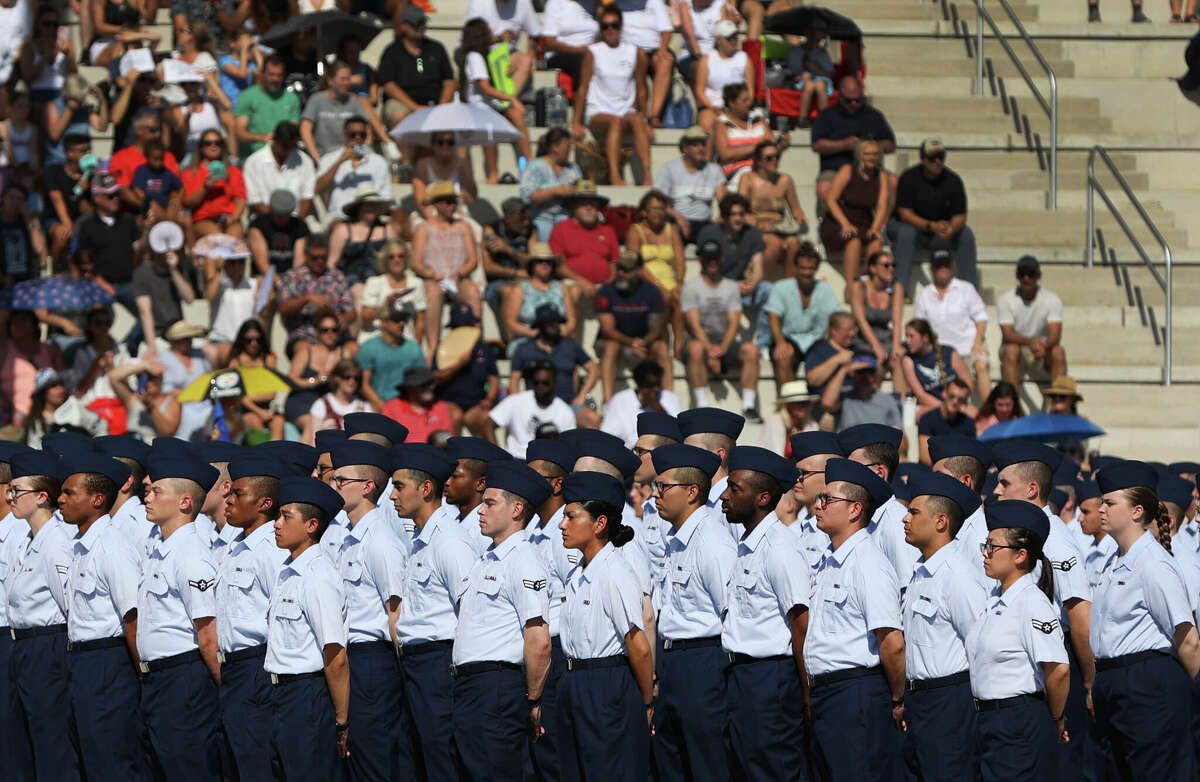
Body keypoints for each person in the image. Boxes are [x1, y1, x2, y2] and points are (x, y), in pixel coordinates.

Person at [990, 441, 1095, 777]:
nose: (996, 490)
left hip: (1056, 662)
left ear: (1032, 488)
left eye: (1005, 483)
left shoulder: (1055, 541)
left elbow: (1079, 618)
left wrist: (1090, 682)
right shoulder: (1024, 535)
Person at [1090, 461, 1200, 779]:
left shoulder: (1153, 564)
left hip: (1146, 685)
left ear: (1137, 511)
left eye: (1110, 503)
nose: (1102, 509)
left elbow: (1187, 638)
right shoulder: (1115, 560)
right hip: (1115, 683)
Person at [450, 460, 552, 782]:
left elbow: (538, 638)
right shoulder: (487, 559)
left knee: (496, 771)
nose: (481, 510)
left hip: (495, 686)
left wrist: (533, 700)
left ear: (516, 508)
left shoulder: (522, 560)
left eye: (490, 503)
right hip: (470, 687)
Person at [804, 457, 904, 780]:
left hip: (855, 695)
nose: (818, 506)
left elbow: (892, 642)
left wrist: (898, 697)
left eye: (827, 499)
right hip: (827, 696)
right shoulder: (829, 562)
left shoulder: (868, 563)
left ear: (854, 510)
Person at [718, 446, 811, 779]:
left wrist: (806, 691)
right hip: (742, 676)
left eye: (735, 489)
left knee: (773, 769)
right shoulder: (748, 544)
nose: (724, 497)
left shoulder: (779, 548)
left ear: (762, 498)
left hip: (770, 679)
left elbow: (800, 623)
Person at [557, 471, 656, 780]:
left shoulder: (615, 572)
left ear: (599, 523)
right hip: (574, 680)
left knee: (609, 769)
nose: (562, 525)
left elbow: (637, 645)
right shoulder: (578, 574)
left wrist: (647, 702)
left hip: (606, 682)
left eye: (572, 517)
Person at [647, 442, 736, 782]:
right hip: (673, 663)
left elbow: (731, 615)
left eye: (664, 487)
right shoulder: (677, 540)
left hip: (704, 662)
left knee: (706, 762)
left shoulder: (713, 542)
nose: (656, 495)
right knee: (671, 763)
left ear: (692, 491)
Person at [388, 443, 477, 780]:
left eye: (399, 486)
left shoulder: (450, 542)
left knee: (442, 758)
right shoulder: (421, 539)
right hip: (416, 664)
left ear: (425, 489)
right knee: (418, 758)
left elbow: (469, 611)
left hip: (440, 664)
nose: (393, 495)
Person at [57, 453, 147, 781]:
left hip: (108, 661)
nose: (61, 499)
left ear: (97, 499)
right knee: (91, 755)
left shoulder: (112, 547)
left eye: (69, 493)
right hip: (83, 662)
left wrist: (142, 676)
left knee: (113, 757)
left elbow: (132, 616)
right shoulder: (84, 545)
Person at [967, 500, 1070, 781]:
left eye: (993, 546)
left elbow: (1058, 669)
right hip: (988, 720)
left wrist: (1056, 719)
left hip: (1017, 721)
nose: (985, 554)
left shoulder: (1031, 602)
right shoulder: (995, 599)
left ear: (1020, 555)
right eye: (985, 545)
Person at [327, 440, 412, 780]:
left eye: (341, 481)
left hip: (374, 662)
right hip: (352, 659)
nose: (334, 487)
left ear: (367, 486)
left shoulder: (380, 541)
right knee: (355, 755)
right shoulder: (351, 537)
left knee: (373, 756)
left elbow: (396, 613)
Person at [138, 451, 221, 782]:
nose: (148, 495)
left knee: (189, 767)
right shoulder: (162, 550)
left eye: (158, 491)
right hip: (160, 679)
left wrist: (221, 692)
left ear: (185, 502)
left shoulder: (191, 556)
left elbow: (208, 634)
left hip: (184, 679)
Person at [899, 472, 987, 781]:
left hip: (950, 700)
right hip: (919, 700)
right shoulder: (921, 571)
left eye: (914, 512)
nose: (905, 519)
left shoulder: (958, 576)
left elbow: (981, 646)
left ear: (940, 522)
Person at [264, 476, 351, 779]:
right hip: (280, 694)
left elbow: (335, 654)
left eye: (286, 516)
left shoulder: (317, 575)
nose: (276, 523)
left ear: (312, 526)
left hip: (306, 694)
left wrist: (341, 720)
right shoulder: (288, 572)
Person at [6, 449, 78, 782]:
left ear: (41, 496)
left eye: (17, 490)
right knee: (28, 735)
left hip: (48, 646)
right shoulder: (30, 540)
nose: (10, 496)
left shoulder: (55, 543)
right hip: (25, 647)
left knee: (52, 739)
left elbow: (69, 604)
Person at [215, 454, 289, 780]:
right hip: (234, 668)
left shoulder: (271, 550)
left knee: (260, 763)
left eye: (239, 494)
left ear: (264, 503)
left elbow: (284, 618)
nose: (228, 499)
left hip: (259, 666)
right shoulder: (237, 546)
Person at [571, 7, 653, 187]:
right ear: (600, 28)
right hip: (598, 111)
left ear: (621, 27)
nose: (610, 30)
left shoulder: (635, 52)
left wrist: (647, 119)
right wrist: (576, 121)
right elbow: (583, 87)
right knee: (615, 121)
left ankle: (647, 177)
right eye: (605, 26)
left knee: (638, 121)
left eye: (614, 25)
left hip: (625, 110)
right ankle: (616, 176)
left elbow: (641, 89)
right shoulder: (593, 52)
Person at [681, 243, 761, 414]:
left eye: (715, 258)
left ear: (721, 259)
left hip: (724, 342)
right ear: (700, 261)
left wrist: (721, 350)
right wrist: (710, 351)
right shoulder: (691, 287)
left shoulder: (731, 287)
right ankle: (701, 406)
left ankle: (748, 406)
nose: (712, 262)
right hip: (698, 341)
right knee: (696, 349)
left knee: (752, 350)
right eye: (708, 259)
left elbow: (734, 323)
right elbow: (694, 326)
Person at [891, 139, 978, 292]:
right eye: (932, 158)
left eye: (941, 157)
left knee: (966, 233)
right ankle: (899, 290)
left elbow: (960, 216)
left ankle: (970, 291)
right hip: (913, 229)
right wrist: (931, 226)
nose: (937, 162)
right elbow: (905, 214)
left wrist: (952, 228)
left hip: (938, 233)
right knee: (907, 232)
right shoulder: (909, 178)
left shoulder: (953, 180)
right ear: (922, 159)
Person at [457, 17, 534, 184]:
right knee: (489, 126)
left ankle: (530, 164)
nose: (491, 34)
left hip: (491, 105)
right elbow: (485, 88)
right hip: (478, 108)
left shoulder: (483, 52)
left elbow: (494, 40)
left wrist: (502, 37)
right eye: (488, 31)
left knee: (517, 116)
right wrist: (512, 99)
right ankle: (493, 174)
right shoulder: (475, 56)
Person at [412, 181, 481, 358]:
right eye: (447, 201)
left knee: (472, 292)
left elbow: (473, 259)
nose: (452, 206)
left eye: (454, 201)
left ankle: (476, 342)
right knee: (433, 293)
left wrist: (458, 275)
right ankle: (433, 347)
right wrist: (434, 275)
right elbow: (417, 263)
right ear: (436, 203)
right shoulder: (424, 228)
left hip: (458, 278)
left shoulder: (463, 227)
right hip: (435, 278)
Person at [810, 75, 896, 212]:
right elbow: (817, 145)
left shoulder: (874, 116)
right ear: (840, 97)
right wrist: (843, 145)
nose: (854, 104)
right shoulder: (827, 116)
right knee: (824, 188)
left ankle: (883, 225)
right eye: (849, 101)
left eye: (858, 100)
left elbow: (890, 145)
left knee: (892, 181)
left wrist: (868, 146)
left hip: (871, 169)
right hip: (835, 169)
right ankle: (830, 226)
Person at [913, 249, 990, 401]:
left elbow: (981, 318)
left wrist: (977, 343)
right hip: (940, 354)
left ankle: (990, 413)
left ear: (952, 267)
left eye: (946, 265)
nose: (943, 269)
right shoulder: (924, 295)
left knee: (981, 365)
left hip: (968, 348)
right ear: (932, 268)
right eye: (939, 265)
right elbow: (919, 327)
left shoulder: (966, 288)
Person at [595, 252, 671, 403]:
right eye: (619, 268)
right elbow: (607, 330)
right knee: (611, 346)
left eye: (627, 269)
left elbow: (656, 329)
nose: (621, 273)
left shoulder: (652, 292)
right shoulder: (606, 291)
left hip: (643, 343)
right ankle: (608, 402)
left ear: (639, 271)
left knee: (661, 348)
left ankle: (668, 400)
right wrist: (632, 343)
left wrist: (642, 343)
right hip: (615, 342)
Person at [820, 139, 889, 302]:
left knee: (875, 243)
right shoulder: (848, 170)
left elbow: (882, 204)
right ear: (860, 156)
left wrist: (876, 228)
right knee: (854, 241)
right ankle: (851, 286)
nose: (872, 158)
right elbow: (831, 199)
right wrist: (844, 223)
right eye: (868, 154)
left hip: (864, 221)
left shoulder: (881, 176)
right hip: (838, 222)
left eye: (875, 154)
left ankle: (866, 282)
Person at [509, 303, 600, 420]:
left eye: (558, 322)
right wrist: (518, 404)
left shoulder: (570, 345)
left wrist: (581, 396)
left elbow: (593, 369)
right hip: (534, 407)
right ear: (540, 325)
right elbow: (514, 378)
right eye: (550, 323)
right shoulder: (524, 349)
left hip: (568, 405)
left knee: (593, 419)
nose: (556, 326)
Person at [765, 245, 841, 384]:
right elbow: (773, 316)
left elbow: (835, 317)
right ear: (795, 267)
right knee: (783, 355)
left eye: (810, 268)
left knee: (833, 356)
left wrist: (832, 343)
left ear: (816, 269)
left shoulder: (824, 289)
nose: (806, 272)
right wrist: (780, 342)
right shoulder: (782, 287)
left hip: (816, 341)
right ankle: (789, 399)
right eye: (803, 268)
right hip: (789, 338)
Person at [379, 6, 455, 136]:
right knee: (398, 114)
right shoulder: (392, 52)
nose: (421, 27)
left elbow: (449, 81)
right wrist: (415, 108)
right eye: (416, 23)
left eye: (423, 22)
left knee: (459, 119)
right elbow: (388, 85)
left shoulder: (436, 48)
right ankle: (406, 156)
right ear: (403, 26)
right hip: (405, 104)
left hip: (436, 104)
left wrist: (440, 109)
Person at [73, 172, 141, 318]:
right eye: (110, 195)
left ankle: (128, 342)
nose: (116, 199)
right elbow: (81, 259)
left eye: (117, 194)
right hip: (99, 284)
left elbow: (139, 250)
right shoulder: (85, 224)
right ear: (97, 197)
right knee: (99, 319)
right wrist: (98, 281)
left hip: (129, 282)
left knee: (148, 312)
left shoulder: (129, 221)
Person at [739, 139, 808, 280]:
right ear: (758, 161)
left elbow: (796, 210)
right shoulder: (748, 179)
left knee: (794, 243)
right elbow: (740, 211)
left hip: (779, 226)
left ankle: (790, 286)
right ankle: (763, 283)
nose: (774, 160)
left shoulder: (785, 180)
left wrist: (800, 219)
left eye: (777, 157)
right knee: (774, 243)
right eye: (769, 158)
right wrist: (759, 225)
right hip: (756, 225)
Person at [626, 189, 686, 348]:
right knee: (664, 298)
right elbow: (636, 265)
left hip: (670, 281)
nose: (659, 213)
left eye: (662, 209)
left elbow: (680, 260)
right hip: (645, 282)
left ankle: (678, 345)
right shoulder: (635, 231)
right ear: (644, 212)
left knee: (678, 297)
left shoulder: (671, 229)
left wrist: (679, 282)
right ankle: (660, 338)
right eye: (655, 209)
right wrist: (657, 285)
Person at [286, 309, 358, 436]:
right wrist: (315, 380)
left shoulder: (344, 353)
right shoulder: (306, 352)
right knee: (312, 424)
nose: (330, 334)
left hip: (331, 404)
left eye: (334, 330)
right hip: (303, 401)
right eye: (325, 330)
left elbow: (351, 378)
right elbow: (291, 380)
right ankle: (305, 455)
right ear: (317, 332)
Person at [432, 304, 500, 437]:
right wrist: (459, 365)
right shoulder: (443, 348)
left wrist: (489, 399)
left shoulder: (484, 348)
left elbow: (493, 376)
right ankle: (453, 456)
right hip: (449, 400)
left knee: (486, 418)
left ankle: (488, 456)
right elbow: (436, 378)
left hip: (476, 402)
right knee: (454, 417)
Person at [998, 255, 1067, 385]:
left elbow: (1055, 334)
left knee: (1058, 351)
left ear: (1038, 275)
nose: (1026, 278)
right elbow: (1008, 335)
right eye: (1022, 274)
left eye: (1030, 274)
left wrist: (1044, 346)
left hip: (1043, 348)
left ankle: (1059, 401)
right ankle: (1012, 403)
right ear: (1017, 276)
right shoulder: (1005, 299)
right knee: (1011, 349)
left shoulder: (1052, 299)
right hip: (1017, 348)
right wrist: (1031, 342)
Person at [277, 234, 355, 348]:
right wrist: (306, 299)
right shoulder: (292, 277)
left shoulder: (337, 276)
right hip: (304, 335)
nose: (319, 261)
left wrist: (344, 319)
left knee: (353, 348)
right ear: (306, 255)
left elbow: (352, 312)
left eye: (323, 257)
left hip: (334, 335)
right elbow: (284, 309)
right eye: (314, 258)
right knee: (305, 349)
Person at [488, 361, 577, 458]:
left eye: (545, 383)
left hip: (549, 463)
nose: (540, 386)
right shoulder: (515, 401)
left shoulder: (565, 411)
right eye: (536, 382)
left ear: (555, 383)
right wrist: (497, 456)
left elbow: (569, 445)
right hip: (517, 462)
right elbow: (488, 424)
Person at [549, 181, 619, 303]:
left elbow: (614, 262)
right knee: (574, 291)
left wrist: (609, 284)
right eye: (583, 203)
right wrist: (581, 281)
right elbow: (559, 265)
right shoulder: (560, 230)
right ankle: (572, 322)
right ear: (573, 206)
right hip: (573, 283)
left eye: (592, 204)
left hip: (605, 286)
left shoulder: (608, 230)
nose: (588, 207)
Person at [501, 240, 575, 353]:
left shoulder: (562, 287)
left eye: (548, 261)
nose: (544, 264)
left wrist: (560, 335)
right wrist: (533, 334)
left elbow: (572, 319)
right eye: (539, 261)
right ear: (532, 265)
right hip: (527, 340)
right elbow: (510, 321)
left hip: (557, 340)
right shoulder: (520, 289)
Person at [657, 125, 726, 243]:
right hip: (676, 220)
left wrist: (722, 216)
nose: (701, 148)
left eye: (703, 144)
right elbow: (657, 200)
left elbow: (724, 201)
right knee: (673, 236)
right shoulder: (670, 168)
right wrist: (679, 218)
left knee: (713, 245)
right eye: (695, 145)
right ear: (685, 148)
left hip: (704, 222)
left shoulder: (714, 170)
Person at [301, 60, 381, 160]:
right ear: (330, 80)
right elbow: (305, 130)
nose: (347, 83)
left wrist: (360, 154)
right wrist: (317, 159)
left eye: (348, 79)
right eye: (343, 79)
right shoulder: (317, 100)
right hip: (325, 157)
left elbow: (367, 131)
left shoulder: (354, 101)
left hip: (351, 157)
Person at [358, 297, 426, 413]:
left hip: (408, 408)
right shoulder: (368, 348)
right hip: (377, 408)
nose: (401, 323)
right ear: (383, 322)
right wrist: (385, 408)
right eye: (396, 319)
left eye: (404, 319)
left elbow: (421, 382)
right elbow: (364, 385)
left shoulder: (414, 349)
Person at [317, 128, 393, 232]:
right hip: (339, 216)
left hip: (371, 214)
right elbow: (318, 189)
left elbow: (386, 196)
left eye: (362, 134)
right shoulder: (329, 159)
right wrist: (340, 160)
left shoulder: (378, 161)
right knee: (339, 229)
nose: (357, 138)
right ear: (345, 136)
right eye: (353, 134)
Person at [851, 249, 905, 390]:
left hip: (885, 337)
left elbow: (897, 321)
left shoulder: (896, 287)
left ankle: (900, 404)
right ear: (873, 268)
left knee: (898, 361)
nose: (891, 269)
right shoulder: (859, 286)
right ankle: (871, 397)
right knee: (878, 361)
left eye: (893, 265)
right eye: (886, 265)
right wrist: (876, 347)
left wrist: (896, 346)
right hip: (864, 338)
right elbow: (861, 320)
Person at [600, 360, 683, 449]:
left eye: (658, 384)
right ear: (640, 386)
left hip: (665, 449)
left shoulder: (669, 398)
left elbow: (679, 431)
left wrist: (659, 409)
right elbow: (609, 435)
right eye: (650, 385)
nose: (656, 389)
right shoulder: (620, 400)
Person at [133, 238, 197, 352]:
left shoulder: (178, 269)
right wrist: (152, 346)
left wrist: (174, 270)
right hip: (157, 337)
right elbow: (145, 313)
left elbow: (189, 299)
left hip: (179, 333)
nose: (168, 250)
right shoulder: (142, 274)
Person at [180, 129, 246, 239]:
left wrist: (233, 218)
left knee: (235, 234)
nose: (213, 146)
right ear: (201, 147)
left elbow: (240, 199)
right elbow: (187, 203)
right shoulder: (190, 173)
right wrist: (205, 188)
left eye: (218, 143)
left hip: (228, 218)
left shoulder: (233, 171)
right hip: (203, 220)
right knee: (216, 236)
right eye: (208, 143)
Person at [901, 318, 971, 419]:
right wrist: (945, 407)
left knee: (974, 413)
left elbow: (968, 383)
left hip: (957, 403)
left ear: (925, 337)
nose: (907, 341)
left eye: (911, 336)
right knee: (916, 416)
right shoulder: (908, 360)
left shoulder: (949, 352)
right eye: (906, 336)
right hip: (932, 406)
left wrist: (955, 404)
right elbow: (921, 395)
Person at [242, 121, 314, 220]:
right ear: (274, 139)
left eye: (293, 146)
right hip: (264, 220)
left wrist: (295, 224)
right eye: (285, 146)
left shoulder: (305, 161)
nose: (289, 150)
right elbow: (255, 201)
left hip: (296, 220)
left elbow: (307, 198)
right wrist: (278, 223)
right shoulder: (253, 162)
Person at [520, 128, 582, 241]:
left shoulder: (573, 169)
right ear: (555, 147)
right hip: (541, 219)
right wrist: (555, 191)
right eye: (567, 146)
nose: (570, 150)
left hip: (566, 219)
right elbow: (528, 196)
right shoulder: (535, 166)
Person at [233, 54, 301, 158]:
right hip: (255, 156)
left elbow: (293, 130)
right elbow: (239, 133)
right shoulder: (247, 96)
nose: (275, 79)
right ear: (262, 74)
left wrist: (279, 140)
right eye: (271, 74)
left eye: (279, 75)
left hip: (284, 157)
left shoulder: (292, 98)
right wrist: (262, 137)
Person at [159, 321, 212, 442]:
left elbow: (210, 379)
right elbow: (166, 390)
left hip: (206, 402)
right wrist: (192, 393)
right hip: (182, 405)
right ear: (173, 341)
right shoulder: (164, 359)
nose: (188, 341)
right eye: (183, 339)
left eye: (189, 338)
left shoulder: (199, 354)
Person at [695, 20, 751, 135]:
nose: (733, 41)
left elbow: (750, 91)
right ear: (718, 40)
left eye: (735, 38)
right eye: (728, 38)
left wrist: (738, 107)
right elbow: (699, 91)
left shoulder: (744, 59)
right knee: (706, 123)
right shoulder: (706, 60)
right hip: (712, 106)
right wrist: (714, 107)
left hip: (737, 106)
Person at [713, 83, 773, 190]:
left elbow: (771, 146)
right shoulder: (722, 123)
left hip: (762, 169)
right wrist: (756, 147)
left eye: (748, 100)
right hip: (736, 174)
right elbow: (725, 155)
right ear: (732, 103)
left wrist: (781, 145)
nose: (748, 103)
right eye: (744, 101)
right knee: (748, 177)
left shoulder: (758, 118)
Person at [411, 131, 479, 223]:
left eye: (450, 142)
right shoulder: (423, 165)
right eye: (440, 142)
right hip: (428, 215)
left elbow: (471, 198)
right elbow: (421, 201)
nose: (445, 146)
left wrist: (463, 163)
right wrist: (437, 222)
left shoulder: (461, 164)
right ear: (433, 144)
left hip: (459, 214)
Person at [305, 358, 372, 441]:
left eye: (356, 378)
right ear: (337, 378)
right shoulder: (321, 404)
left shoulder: (365, 407)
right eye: (347, 377)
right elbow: (313, 440)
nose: (352, 381)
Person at [382, 366, 454, 443]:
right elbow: (387, 439)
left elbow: (447, 440)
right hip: (403, 453)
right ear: (409, 388)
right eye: (423, 385)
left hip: (434, 453)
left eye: (430, 383)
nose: (429, 388)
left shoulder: (441, 406)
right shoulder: (391, 408)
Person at [248, 190, 309, 276]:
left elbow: (298, 263)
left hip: (291, 278)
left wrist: (291, 282)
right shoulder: (258, 225)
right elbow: (262, 264)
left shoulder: (299, 226)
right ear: (271, 210)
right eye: (279, 215)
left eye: (285, 214)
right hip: (264, 277)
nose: (282, 218)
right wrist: (278, 282)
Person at [917, 377, 976, 464]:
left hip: (958, 471)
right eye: (952, 396)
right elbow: (924, 456)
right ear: (944, 393)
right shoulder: (927, 419)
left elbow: (971, 454)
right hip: (931, 470)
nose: (955, 401)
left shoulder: (968, 423)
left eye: (960, 399)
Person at [541, 0, 598, 86]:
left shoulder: (592, 3)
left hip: (590, 52)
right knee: (582, 60)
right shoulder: (555, 3)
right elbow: (550, 41)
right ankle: (581, 96)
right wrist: (578, 50)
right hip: (560, 54)